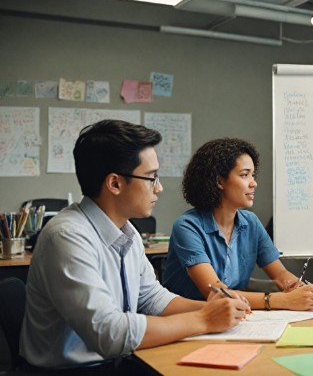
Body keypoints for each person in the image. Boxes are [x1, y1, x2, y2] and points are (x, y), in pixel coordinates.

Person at [20, 120, 248, 373]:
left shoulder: (128, 232)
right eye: (151, 178)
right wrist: (204, 319)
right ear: (115, 184)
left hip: (117, 362)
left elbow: (152, 297)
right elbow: (110, 333)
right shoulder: (66, 237)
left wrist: (215, 308)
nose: (159, 188)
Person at [163, 137, 313, 310]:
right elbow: (217, 293)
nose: (254, 183)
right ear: (219, 181)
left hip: (233, 317)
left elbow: (280, 275)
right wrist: (283, 300)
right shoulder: (187, 226)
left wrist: (300, 289)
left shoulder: (251, 222)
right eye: (244, 175)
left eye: (253, 175)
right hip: (189, 320)